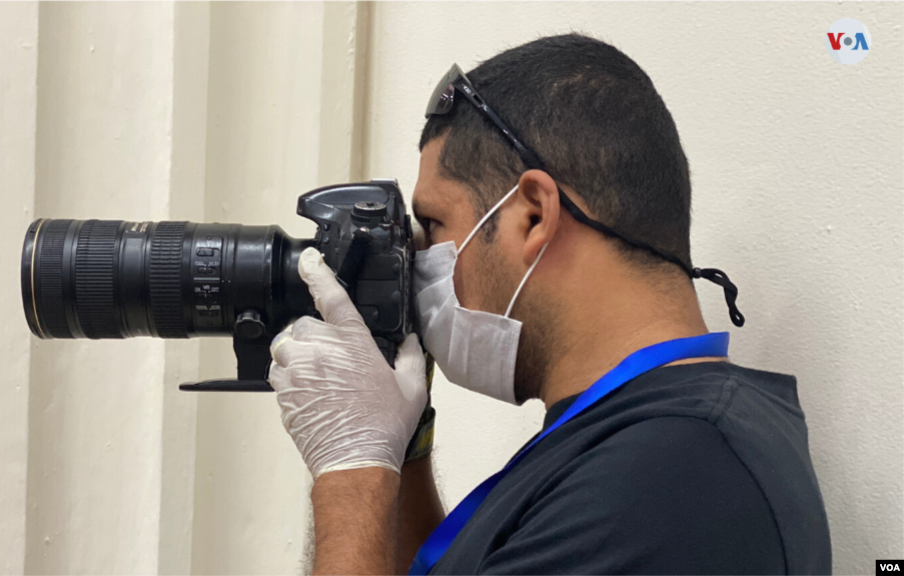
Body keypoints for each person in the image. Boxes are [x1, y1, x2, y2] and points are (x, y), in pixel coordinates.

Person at [267, 34, 832, 576]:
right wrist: (401, 442)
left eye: (434, 224)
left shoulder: (673, 475)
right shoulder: (641, 439)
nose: (417, 263)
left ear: (534, 213)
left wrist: (350, 470)